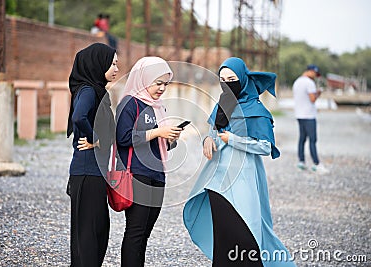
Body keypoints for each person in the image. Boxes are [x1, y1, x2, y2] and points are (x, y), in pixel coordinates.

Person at [183, 57, 296, 266]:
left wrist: (234, 140)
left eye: (232, 79)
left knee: (246, 232)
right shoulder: (221, 105)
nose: (227, 84)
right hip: (217, 181)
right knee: (223, 234)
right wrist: (208, 139)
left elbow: (265, 146)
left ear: (243, 79)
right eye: (222, 79)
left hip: (243, 180)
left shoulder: (256, 110)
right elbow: (213, 133)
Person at [115, 57, 182, 267]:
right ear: (143, 79)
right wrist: (158, 131)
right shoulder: (129, 103)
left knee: (145, 232)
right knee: (135, 231)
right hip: (136, 173)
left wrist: (170, 139)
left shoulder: (158, 106)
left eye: (166, 84)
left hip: (157, 172)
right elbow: (123, 138)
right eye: (158, 83)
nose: (162, 89)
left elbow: (158, 144)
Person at [66, 43, 119, 267]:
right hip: (87, 173)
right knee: (88, 236)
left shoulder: (97, 91)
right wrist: (95, 138)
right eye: (113, 62)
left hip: (93, 173)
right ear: (98, 64)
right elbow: (79, 117)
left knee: (96, 232)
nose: (116, 67)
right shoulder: (88, 91)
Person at [292, 64, 329, 173]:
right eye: (315, 73)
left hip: (299, 114)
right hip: (309, 116)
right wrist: (318, 93)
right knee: (313, 139)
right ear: (311, 71)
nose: (315, 76)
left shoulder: (297, 82)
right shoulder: (309, 83)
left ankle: (301, 162)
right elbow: (312, 99)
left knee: (302, 139)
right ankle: (316, 164)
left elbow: (302, 98)